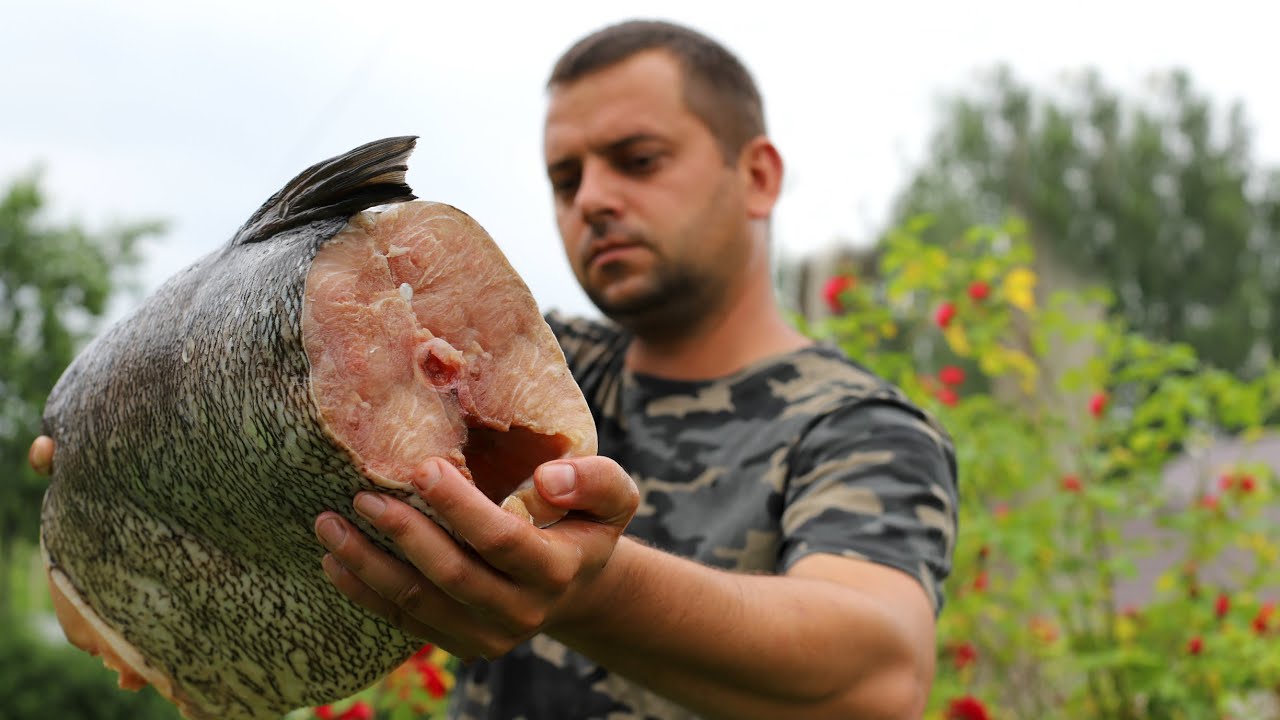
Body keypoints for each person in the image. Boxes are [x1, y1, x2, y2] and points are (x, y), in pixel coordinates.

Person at [30, 19, 958, 720]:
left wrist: (590, 591)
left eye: (638, 161)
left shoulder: (858, 427)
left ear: (756, 175)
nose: (594, 199)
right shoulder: (547, 365)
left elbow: (879, 670)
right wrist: (120, 476)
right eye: (565, 177)